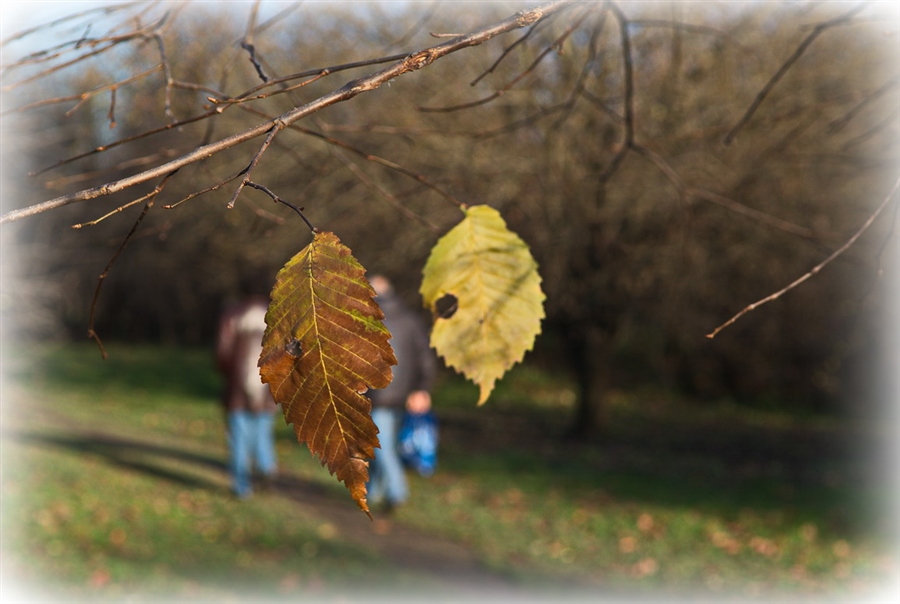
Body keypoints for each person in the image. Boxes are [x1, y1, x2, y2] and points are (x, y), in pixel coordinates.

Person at [367, 275, 436, 516]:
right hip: (406, 397)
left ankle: (397, 493)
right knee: (385, 445)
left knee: (382, 446)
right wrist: (422, 389)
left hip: (378, 395)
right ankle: (374, 492)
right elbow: (426, 360)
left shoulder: (366, 321)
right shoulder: (412, 321)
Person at [215, 294, 279, 499]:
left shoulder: (232, 315)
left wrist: (231, 376)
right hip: (267, 390)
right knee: (262, 432)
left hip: (237, 390)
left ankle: (242, 487)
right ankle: (266, 466)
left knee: (239, 438)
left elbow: (222, 355)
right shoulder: (277, 317)